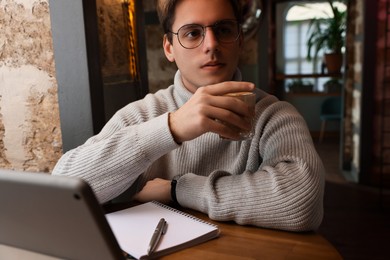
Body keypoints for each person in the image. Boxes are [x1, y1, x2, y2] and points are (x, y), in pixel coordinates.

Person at [52, 0, 325, 232]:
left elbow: (303, 202)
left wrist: (177, 190)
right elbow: (63, 191)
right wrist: (172, 127)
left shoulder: (274, 115)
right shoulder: (145, 114)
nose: (212, 44)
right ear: (169, 48)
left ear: (239, 40)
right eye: (193, 33)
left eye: (224, 29)